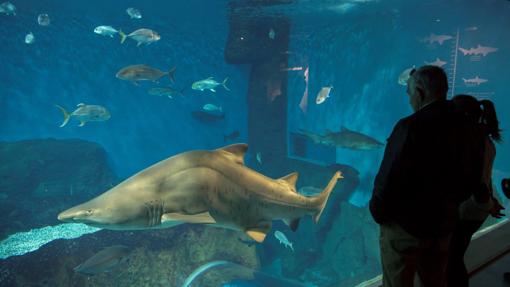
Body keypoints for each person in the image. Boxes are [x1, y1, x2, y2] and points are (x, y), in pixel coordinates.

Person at [369, 65, 485, 287]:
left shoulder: (409, 127)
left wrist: (378, 212)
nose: (410, 100)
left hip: (404, 227)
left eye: (410, 94)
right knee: (434, 282)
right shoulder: (469, 126)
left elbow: (388, 178)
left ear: (420, 92)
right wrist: (448, 206)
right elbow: (473, 179)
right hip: (443, 226)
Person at [446, 94, 504, 287]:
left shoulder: (471, 142)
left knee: (452, 260)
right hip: (477, 210)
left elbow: (477, 185)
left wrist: (488, 203)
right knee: (454, 257)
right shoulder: (485, 139)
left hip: (469, 210)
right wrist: (491, 203)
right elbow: (484, 179)